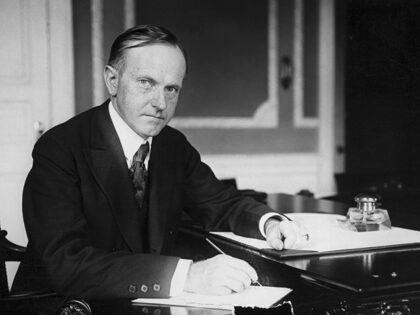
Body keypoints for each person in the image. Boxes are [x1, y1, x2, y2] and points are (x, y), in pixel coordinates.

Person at [12, 24, 304, 299]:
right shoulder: (60, 148)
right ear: (112, 80)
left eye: (171, 89)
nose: (161, 104)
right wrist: (188, 275)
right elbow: (67, 263)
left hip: (137, 301)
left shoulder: (172, 145)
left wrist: (269, 223)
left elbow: (219, 202)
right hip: (61, 304)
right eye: (145, 83)